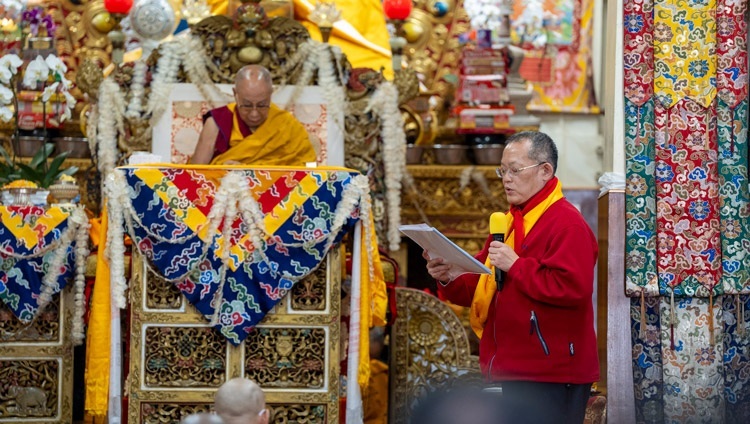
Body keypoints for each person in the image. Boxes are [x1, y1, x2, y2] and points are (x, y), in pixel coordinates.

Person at [424, 131, 598, 424]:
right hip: (513, 365)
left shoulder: (567, 223)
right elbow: (485, 283)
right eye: (502, 170)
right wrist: (449, 276)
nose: (506, 178)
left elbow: (572, 289)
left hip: (552, 371)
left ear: (545, 171)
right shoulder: (506, 222)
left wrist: (517, 265)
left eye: (515, 170)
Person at [190, 65, 317, 166]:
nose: (254, 113)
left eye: (262, 105)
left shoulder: (287, 125)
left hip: (277, 196)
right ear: (235, 94)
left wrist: (250, 174)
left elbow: (311, 168)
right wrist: (223, 173)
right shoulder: (217, 123)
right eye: (247, 105)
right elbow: (195, 178)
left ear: (271, 94)